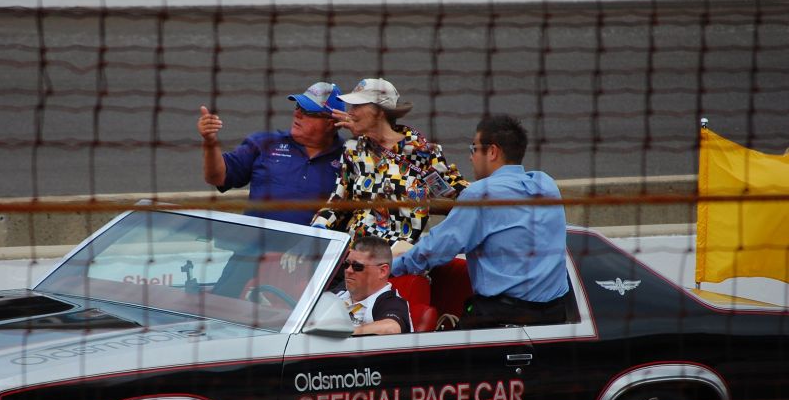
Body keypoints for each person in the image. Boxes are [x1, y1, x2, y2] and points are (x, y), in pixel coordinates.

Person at [391, 114, 569, 328]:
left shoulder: (479, 194)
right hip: (555, 316)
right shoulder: (546, 184)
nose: (470, 157)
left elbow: (436, 249)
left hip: (500, 317)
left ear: (492, 151)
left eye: (473, 149)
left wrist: (389, 266)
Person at [310, 78, 468, 250]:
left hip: (396, 255)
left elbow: (455, 193)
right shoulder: (353, 150)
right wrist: (317, 230)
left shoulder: (422, 152)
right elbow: (339, 201)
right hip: (355, 254)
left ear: (380, 112)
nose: (351, 112)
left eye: (358, 106)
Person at [197, 82, 346, 225]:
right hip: (256, 248)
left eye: (308, 111)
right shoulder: (264, 143)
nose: (297, 114)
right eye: (297, 106)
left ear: (331, 123)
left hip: (312, 250)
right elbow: (217, 178)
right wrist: (209, 141)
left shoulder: (350, 157)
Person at [335, 236, 411, 335]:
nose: (348, 270)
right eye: (346, 264)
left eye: (357, 266)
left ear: (382, 271)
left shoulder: (391, 302)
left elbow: (391, 328)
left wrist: (335, 333)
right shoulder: (337, 293)